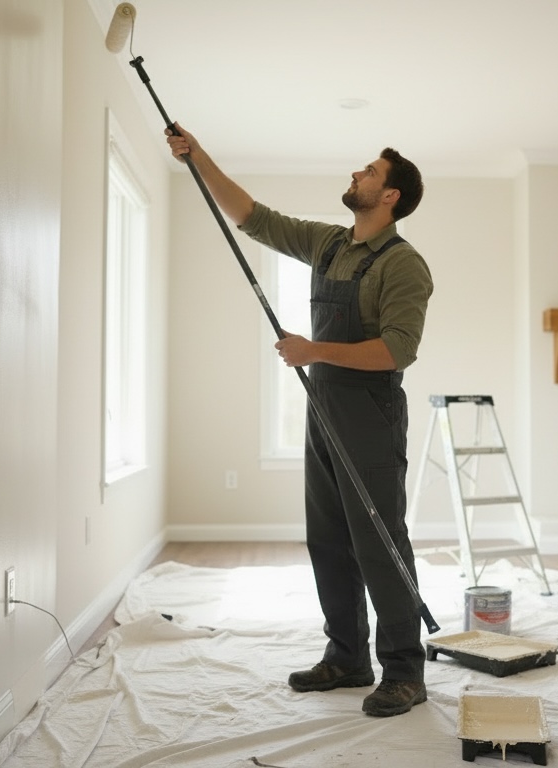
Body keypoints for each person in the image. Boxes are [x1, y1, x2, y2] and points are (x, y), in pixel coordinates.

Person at [167, 124, 433, 717]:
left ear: (390, 196)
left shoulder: (404, 265)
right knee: (330, 540)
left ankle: (404, 671)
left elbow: (396, 351)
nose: (356, 174)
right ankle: (347, 658)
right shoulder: (331, 243)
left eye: (369, 171)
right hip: (324, 409)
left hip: (370, 413)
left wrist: (315, 351)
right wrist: (199, 155)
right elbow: (253, 218)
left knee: (381, 543)